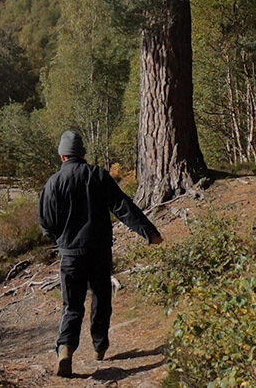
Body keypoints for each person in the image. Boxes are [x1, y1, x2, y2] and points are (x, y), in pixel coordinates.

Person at [37, 130, 163, 378]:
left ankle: (65, 348)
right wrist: (149, 232)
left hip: (70, 254)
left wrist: (61, 239)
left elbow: (45, 223)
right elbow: (123, 206)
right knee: (101, 298)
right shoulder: (98, 176)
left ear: (63, 157)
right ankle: (99, 346)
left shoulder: (53, 183)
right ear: (82, 154)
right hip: (99, 252)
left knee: (72, 305)